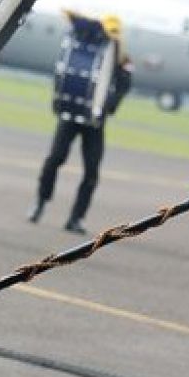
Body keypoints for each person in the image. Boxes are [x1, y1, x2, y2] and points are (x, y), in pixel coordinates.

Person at [29, 13, 133, 234]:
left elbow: (124, 86)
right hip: (71, 115)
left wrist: (107, 106)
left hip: (95, 122)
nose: (111, 36)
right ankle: (40, 202)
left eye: (114, 33)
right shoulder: (88, 45)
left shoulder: (121, 57)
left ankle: (76, 218)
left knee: (91, 171)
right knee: (54, 159)